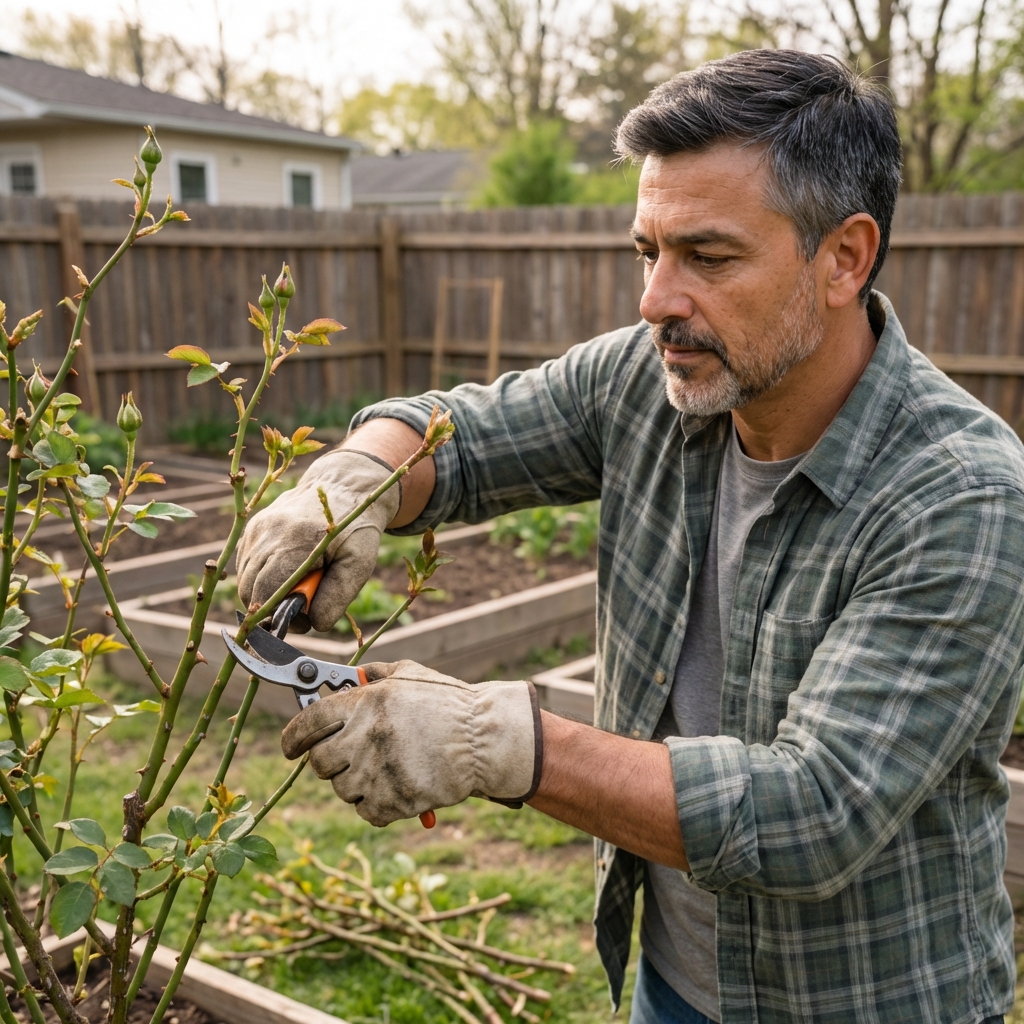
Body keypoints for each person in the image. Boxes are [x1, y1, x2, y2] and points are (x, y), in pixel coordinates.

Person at [236, 49, 1024, 1024]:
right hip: (675, 983)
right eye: (646, 251)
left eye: (708, 255)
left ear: (844, 258)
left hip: (871, 998)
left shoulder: (960, 494)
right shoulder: (650, 383)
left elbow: (815, 808)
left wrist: (498, 743)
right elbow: (462, 434)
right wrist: (356, 479)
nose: (655, 299)